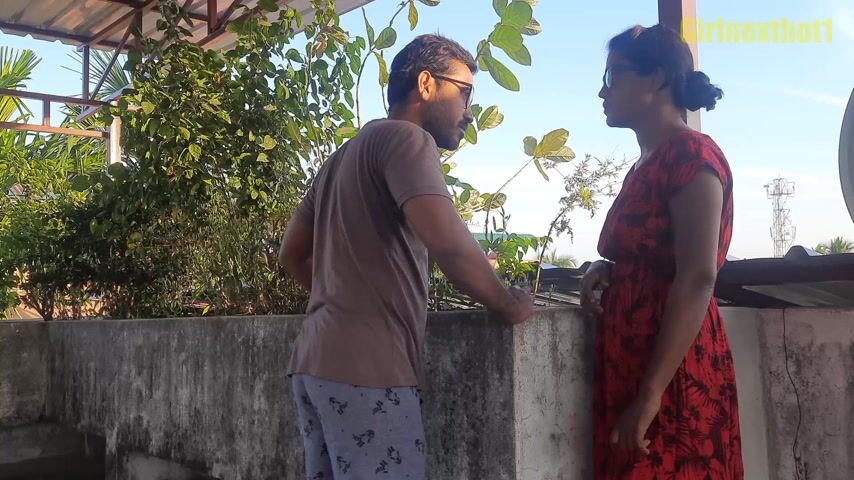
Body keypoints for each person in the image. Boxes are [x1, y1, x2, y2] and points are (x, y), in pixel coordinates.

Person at [278, 34, 533, 480]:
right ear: (426, 84)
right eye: (465, 93)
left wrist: (343, 300)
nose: (469, 112)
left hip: (313, 365)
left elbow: (291, 255)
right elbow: (448, 244)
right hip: (369, 373)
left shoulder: (342, 157)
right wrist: (510, 305)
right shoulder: (406, 139)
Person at [581, 24, 744, 479]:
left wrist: (651, 392)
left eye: (612, 76)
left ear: (655, 78)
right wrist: (605, 267)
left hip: (672, 367)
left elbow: (697, 275)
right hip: (631, 360)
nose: (602, 91)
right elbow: (649, 250)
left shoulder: (692, 155)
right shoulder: (645, 162)